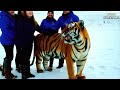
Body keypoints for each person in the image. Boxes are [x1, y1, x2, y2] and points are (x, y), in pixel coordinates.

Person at [15, 11, 39, 79]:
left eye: (31, 11)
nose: (30, 12)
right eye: (28, 11)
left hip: (29, 42)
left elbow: (38, 28)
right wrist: (32, 37)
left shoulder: (32, 20)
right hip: (22, 42)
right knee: (24, 58)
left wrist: (48, 32)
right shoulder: (21, 20)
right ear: (25, 12)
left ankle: (27, 72)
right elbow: (20, 33)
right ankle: (24, 74)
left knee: (27, 58)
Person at [0, 11, 17, 79]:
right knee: (9, 56)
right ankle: (7, 74)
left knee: (9, 56)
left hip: (10, 40)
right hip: (7, 40)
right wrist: (15, 36)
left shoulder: (10, 15)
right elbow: (5, 30)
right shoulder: (4, 17)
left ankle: (5, 69)